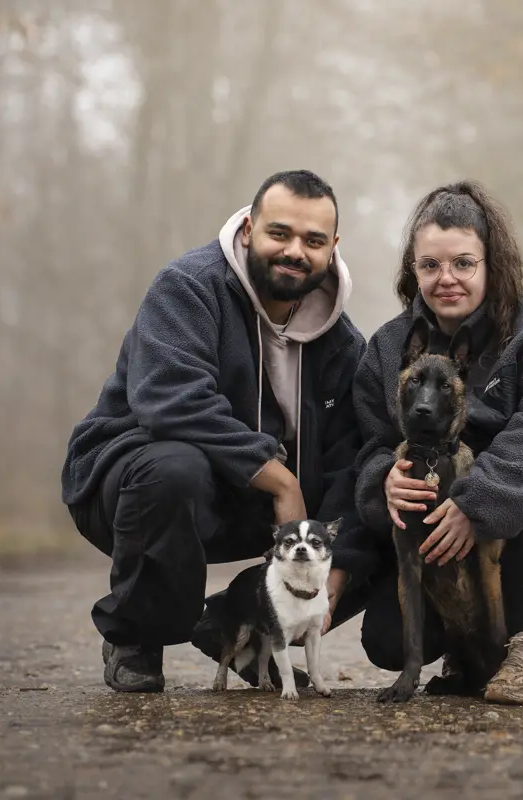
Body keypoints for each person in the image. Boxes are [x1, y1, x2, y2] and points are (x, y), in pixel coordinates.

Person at [61, 169, 368, 693]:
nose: (295, 250)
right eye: (280, 233)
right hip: (131, 486)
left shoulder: (341, 342)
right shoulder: (188, 287)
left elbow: (348, 460)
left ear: (332, 247)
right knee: (175, 467)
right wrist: (281, 480)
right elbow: (168, 399)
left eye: (313, 241)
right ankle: (136, 634)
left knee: (379, 485)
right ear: (249, 229)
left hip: (252, 510)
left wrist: (339, 572)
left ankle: (231, 631)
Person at [323, 180, 523, 705]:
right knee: (387, 642)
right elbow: (369, 444)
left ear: (490, 265)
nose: (447, 279)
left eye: (464, 263)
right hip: (442, 536)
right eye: (430, 266)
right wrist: (383, 482)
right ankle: (472, 649)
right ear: (412, 271)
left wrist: (476, 503)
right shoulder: (389, 348)